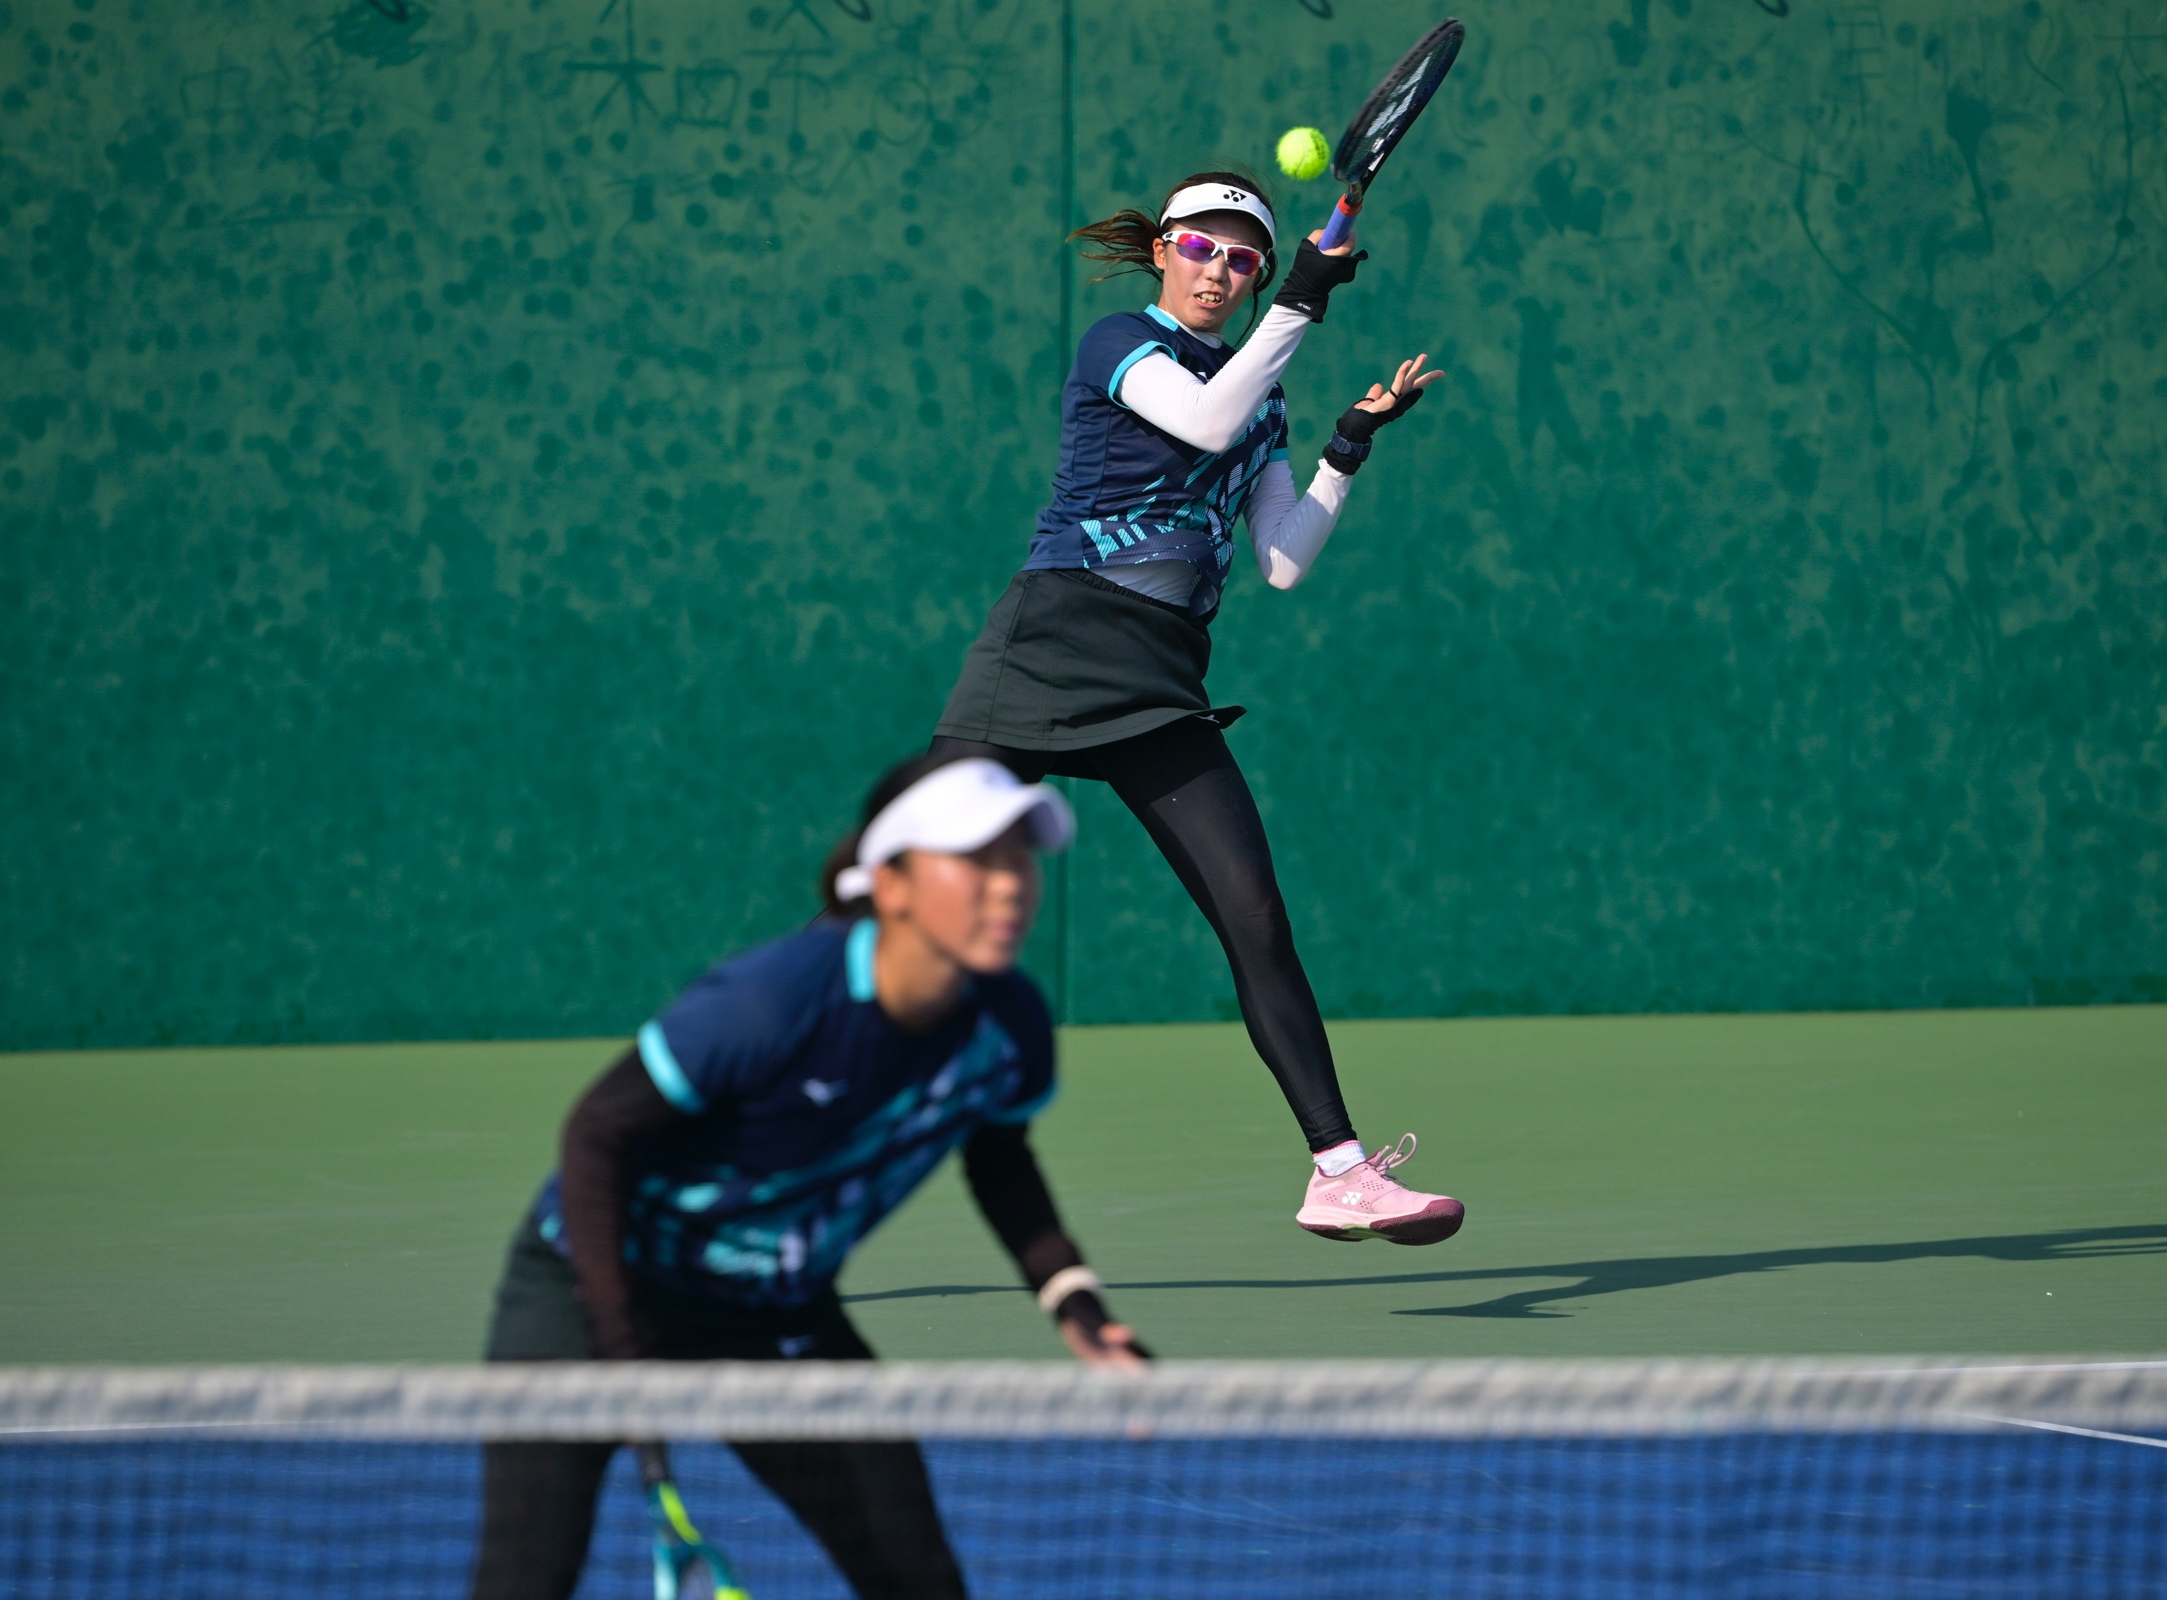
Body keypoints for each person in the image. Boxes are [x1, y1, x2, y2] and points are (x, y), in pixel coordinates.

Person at [468, 754, 1146, 1600]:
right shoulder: (772, 1001)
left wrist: (1075, 1303)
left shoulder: (1008, 1027)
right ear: (891, 885)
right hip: (592, 1291)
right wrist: (616, 1340)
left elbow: (998, 1155)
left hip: (773, 1312)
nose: (1008, 884)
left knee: (916, 1578)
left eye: (1018, 858)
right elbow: (596, 1131)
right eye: (975, 859)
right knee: (523, 1581)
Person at [930, 171, 1462, 1247]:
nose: (1218, 270)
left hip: (1159, 675)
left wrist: (1345, 447)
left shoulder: (1261, 397)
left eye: (1243, 258)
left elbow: (1281, 560)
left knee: (1253, 914)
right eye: (1199, 248)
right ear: (1161, 252)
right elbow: (1204, 420)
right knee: (900, 906)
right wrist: (1300, 298)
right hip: (1049, 642)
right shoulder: (1120, 342)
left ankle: (1340, 1172)